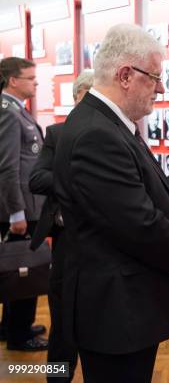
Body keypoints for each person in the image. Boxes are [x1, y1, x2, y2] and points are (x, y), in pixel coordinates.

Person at [52, 24, 169, 382]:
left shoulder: (106, 123)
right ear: (126, 75)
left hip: (124, 306)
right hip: (115, 312)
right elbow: (138, 223)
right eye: (155, 77)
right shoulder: (97, 132)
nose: (160, 87)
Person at [29, 70, 94, 382]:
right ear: (77, 96)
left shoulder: (118, 134)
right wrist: (74, 180)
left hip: (102, 241)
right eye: (89, 95)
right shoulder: (56, 133)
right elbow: (37, 178)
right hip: (67, 241)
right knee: (63, 323)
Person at [0, 57, 48, 352]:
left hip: (25, 205)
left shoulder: (15, 110)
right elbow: (7, 168)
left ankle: (10, 326)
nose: (36, 83)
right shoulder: (7, 113)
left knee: (16, 266)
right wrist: (16, 212)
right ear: (13, 81)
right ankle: (20, 335)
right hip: (21, 208)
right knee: (23, 268)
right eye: (31, 78)